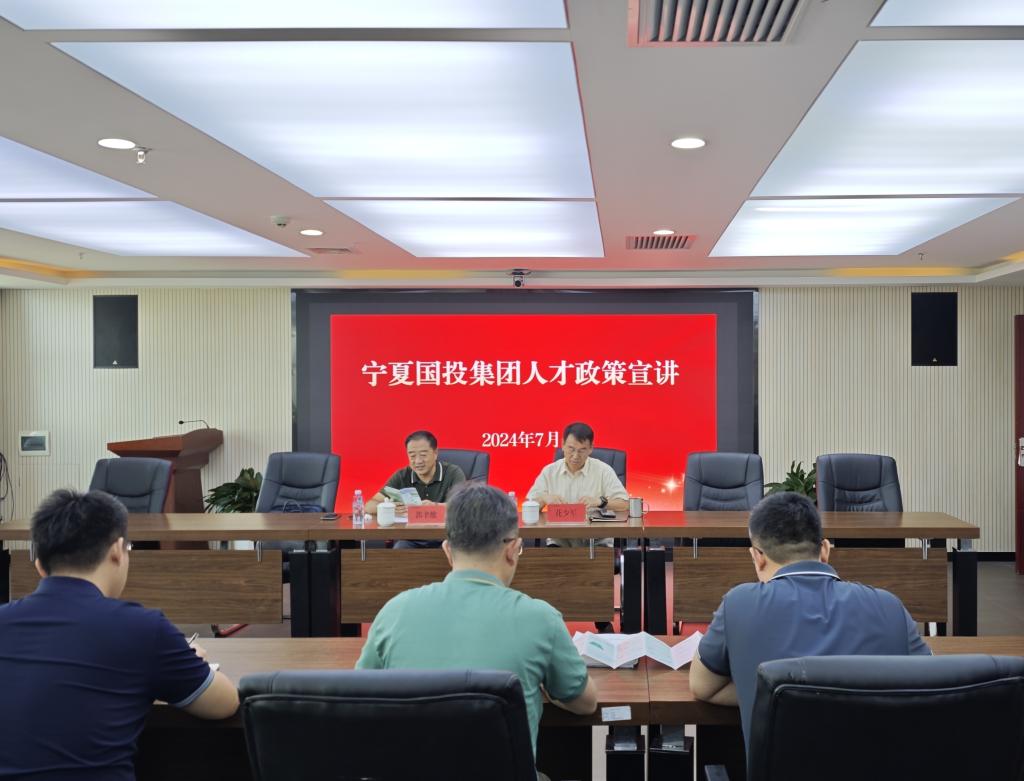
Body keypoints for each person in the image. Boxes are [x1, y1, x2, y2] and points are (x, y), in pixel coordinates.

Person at [0, 489, 239, 781]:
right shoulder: (143, 629)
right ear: (117, 550)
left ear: (39, 565)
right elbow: (225, 703)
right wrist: (183, 662)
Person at [357, 483, 597, 771]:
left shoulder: (394, 612)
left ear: (447, 550)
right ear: (513, 549)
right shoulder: (540, 618)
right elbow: (585, 703)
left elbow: (360, 700)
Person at [689, 491, 930, 753]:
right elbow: (931, 686)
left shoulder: (739, 604)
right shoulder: (889, 606)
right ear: (825, 550)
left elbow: (703, 687)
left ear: (757, 557)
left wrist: (770, 693)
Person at [526, 421, 628, 548]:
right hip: (560, 541)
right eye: (571, 449)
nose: (575, 456)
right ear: (562, 445)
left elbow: (624, 504)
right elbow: (528, 507)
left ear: (591, 448)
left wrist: (599, 501)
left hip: (596, 542)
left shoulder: (603, 470)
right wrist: (544, 498)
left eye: (582, 450)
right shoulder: (550, 471)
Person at [365, 430, 466, 549]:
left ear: (435, 453)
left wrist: (435, 506)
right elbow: (369, 506)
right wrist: (390, 507)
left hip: (445, 537)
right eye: (412, 456)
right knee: (399, 550)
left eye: (423, 455)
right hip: (412, 538)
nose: (418, 461)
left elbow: (463, 506)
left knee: (453, 549)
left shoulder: (453, 473)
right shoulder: (402, 476)